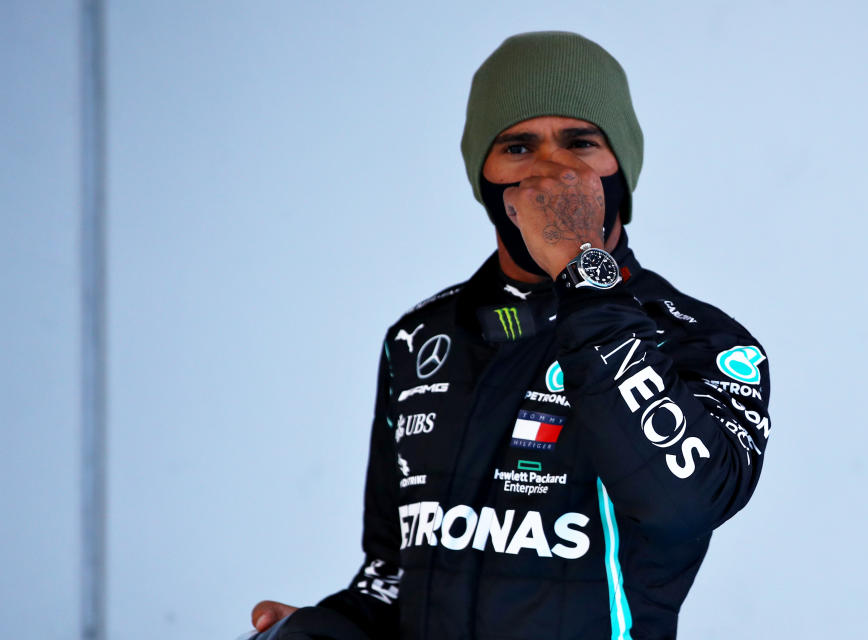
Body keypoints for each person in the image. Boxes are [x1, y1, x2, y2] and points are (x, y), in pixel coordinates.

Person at [247, 31, 771, 640]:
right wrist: (324, 631)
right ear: (483, 178)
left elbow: (685, 504)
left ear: (620, 170)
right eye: (518, 146)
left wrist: (582, 272)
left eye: (580, 143)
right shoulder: (418, 339)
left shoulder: (698, 338)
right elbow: (393, 574)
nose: (550, 167)